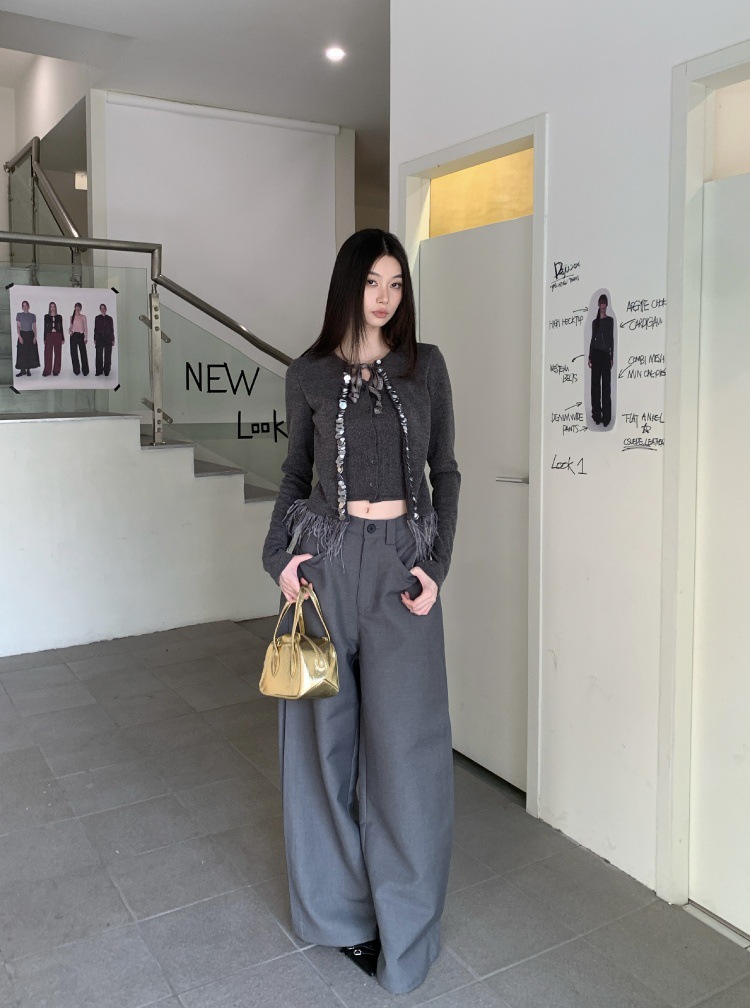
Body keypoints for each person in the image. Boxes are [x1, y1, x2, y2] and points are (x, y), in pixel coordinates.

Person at [262, 229, 460, 995]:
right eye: (373, 281)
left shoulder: (424, 366)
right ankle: (342, 918)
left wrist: (436, 567)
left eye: (396, 283)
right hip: (326, 566)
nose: (385, 297)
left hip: (402, 567)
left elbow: (445, 472)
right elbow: (293, 473)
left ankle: (407, 933)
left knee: (409, 753)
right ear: (349, 284)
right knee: (322, 747)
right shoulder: (307, 372)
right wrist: (280, 558)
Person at [588, 293, 614, 426]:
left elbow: (611, 339)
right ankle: (596, 415)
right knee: (595, 387)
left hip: (605, 355)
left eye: (604, 303)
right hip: (596, 355)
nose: (603, 305)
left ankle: (606, 417)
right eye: (601, 303)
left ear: (606, 305)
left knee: (606, 387)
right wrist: (590, 356)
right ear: (598, 305)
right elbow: (592, 340)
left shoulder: (610, 321)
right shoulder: (595, 322)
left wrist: (611, 356)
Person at [15, 300, 39, 377]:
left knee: (29, 352)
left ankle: (28, 370)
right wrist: (19, 336)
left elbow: (34, 327)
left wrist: (35, 337)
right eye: (23, 305)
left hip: (30, 335)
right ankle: (22, 371)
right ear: (22, 307)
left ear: (28, 306)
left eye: (26, 305)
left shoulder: (32, 316)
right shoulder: (19, 315)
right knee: (22, 353)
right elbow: (18, 327)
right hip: (22, 334)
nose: (25, 307)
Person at [42, 302, 64, 377]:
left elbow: (61, 327)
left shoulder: (59, 317)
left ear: (55, 307)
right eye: (51, 306)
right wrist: (44, 338)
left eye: (53, 306)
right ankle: (47, 370)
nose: (52, 308)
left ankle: (56, 370)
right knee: (48, 353)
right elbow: (45, 328)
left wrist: (62, 338)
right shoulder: (46, 316)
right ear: (49, 308)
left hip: (58, 335)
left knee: (58, 353)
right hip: (49, 335)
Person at [94, 303, 115, 376]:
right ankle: (99, 371)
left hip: (108, 337)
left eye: (104, 308)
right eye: (101, 308)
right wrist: (95, 338)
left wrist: (112, 339)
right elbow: (95, 329)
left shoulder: (109, 318)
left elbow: (112, 329)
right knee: (99, 355)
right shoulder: (97, 318)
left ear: (106, 309)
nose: (102, 309)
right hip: (99, 338)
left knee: (107, 355)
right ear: (100, 309)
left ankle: (106, 371)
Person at [68, 302, 89, 376]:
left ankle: (85, 371)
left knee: (83, 353)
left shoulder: (83, 317)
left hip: (81, 335)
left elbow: (85, 327)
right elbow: (70, 327)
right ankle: (76, 370)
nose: (77, 308)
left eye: (79, 307)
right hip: (73, 336)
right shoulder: (72, 317)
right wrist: (70, 332)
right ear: (74, 307)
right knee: (74, 353)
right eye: (76, 306)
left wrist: (86, 337)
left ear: (80, 308)